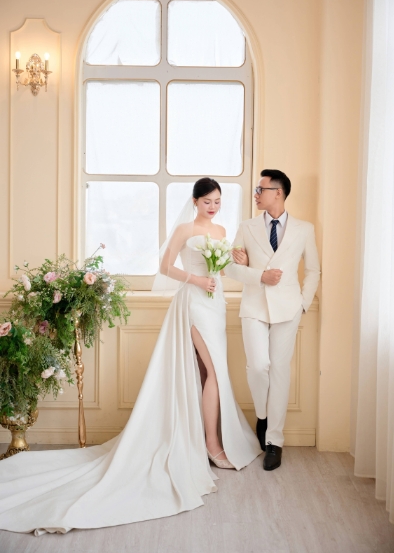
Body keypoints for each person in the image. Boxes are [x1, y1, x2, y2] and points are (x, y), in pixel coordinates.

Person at [0, 177, 261, 536]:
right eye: (207, 202)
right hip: (194, 303)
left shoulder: (221, 230)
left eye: (218, 201)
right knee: (215, 373)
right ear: (195, 201)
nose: (213, 207)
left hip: (216, 305)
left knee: (205, 373)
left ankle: (204, 439)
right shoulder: (185, 230)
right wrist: (197, 280)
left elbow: (224, 270)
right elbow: (165, 267)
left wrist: (236, 260)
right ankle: (213, 447)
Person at [224, 170, 320, 471]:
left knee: (280, 371)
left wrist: (303, 304)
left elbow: (313, 270)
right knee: (258, 366)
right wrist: (259, 275)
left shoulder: (304, 229)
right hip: (254, 305)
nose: (256, 194)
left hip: (288, 309)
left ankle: (274, 442)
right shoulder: (247, 226)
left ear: (278, 192)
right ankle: (263, 416)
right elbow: (230, 268)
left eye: (260, 189)